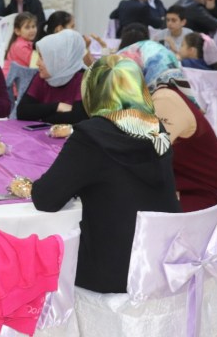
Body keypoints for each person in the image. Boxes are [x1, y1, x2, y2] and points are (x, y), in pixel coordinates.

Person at [31, 55, 180, 293]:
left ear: (94, 91)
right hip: (162, 259)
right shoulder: (156, 128)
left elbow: (45, 199)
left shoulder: (91, 136)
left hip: (112, 271)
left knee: (37, 258)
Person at [118, 40, 217, 212]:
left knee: (123, 211)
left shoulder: (165, 99)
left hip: (207, 199)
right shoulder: (165, 93)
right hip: (189, 188)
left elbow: (145, 155)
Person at [17, 29, 88, 125]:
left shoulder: (83, 78)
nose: (37, 63)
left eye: (42, 58)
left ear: (58, 59)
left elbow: (77, 118)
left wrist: (41, 115)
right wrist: (57, 106)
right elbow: (22, 111)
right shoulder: (42, 77)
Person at [2, 12, 37, 77]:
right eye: (27, 27)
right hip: (13, 80)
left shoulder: (26, 42)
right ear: (17, 31)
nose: (32, 30)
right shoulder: (19, 46)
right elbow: (35, 63)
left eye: (33, 26)